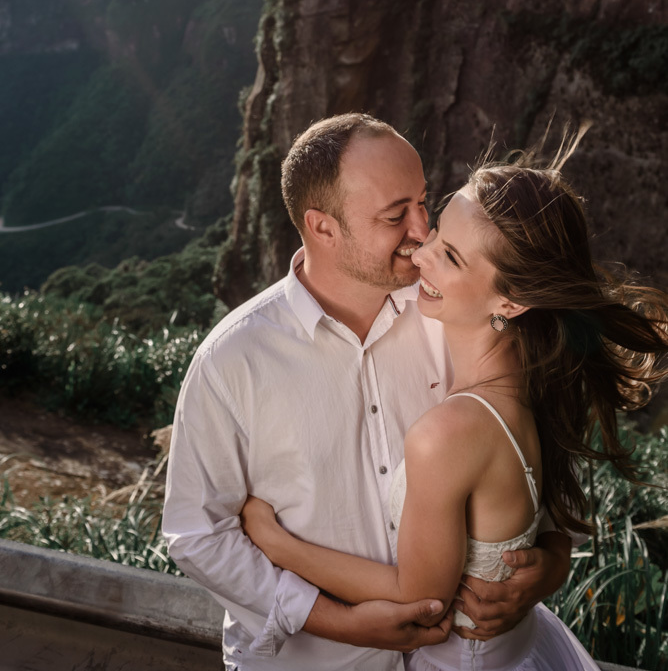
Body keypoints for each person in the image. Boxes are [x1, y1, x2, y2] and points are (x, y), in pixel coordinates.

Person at [163, 114, 573, 671]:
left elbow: (517, 465)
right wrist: (333, 619)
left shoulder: (454, 314)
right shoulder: (231, 362)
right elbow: (198, 537)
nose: (423, 230)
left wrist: (547, 562)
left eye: (424, 202)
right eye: (395, 214)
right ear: (323, 227)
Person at [240, 140, 668, 670]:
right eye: (437, 232)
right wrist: (551, 558)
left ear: (510, 302)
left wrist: (275, 543)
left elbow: (420, 598)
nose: (420, 252)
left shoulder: (448, 433)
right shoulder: (535, 379)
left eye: (450, 256)